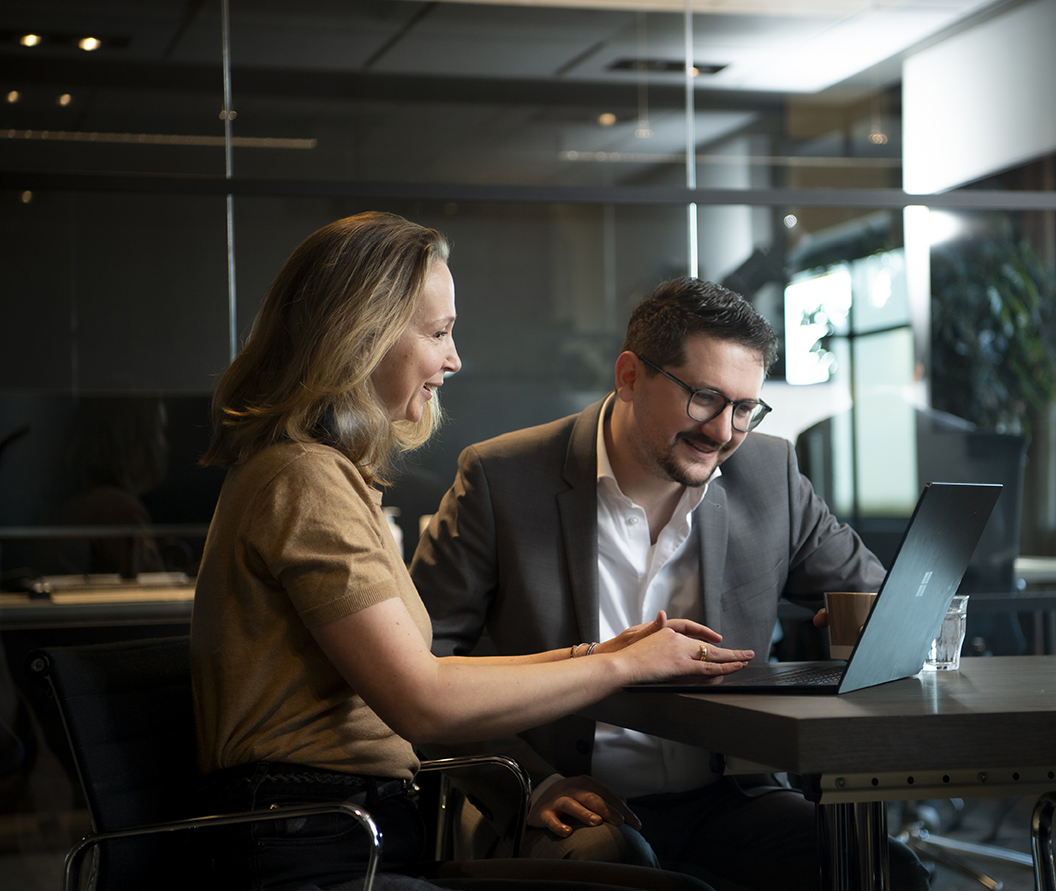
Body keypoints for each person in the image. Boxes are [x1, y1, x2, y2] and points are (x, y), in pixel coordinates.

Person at [190, 212, 752, 891]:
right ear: (361, 334)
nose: (453, 359)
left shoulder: (325, 473)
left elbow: (424, 676)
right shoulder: (302, 478)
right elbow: (424, 700)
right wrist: (621, 667)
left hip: (345, 833)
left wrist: (604, 653)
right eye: (438, 332)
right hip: (316, 851)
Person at [411, 278, 931, 891]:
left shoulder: (768, 472)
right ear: (629, 376)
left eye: (744, 408)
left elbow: (875, 597)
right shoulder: (502, 478)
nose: (723, 432)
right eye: (706, 398)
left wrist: (867, 618)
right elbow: (422, 666)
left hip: (730, 792)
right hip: (567, 795)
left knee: (889, 874)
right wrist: (532, 783)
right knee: (628, 869)